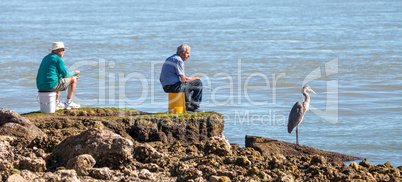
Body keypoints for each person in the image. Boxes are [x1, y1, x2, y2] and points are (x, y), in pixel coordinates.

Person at [160, 44, 204, 113]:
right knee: (198, 84)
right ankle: (193, 107)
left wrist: (193, 79)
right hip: (173, 87)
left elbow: (182, 77)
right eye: (187, 53)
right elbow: (183, 79)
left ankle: (186, 105)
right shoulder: (179, 60)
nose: (189, 55)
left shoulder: (172, 58)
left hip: (167, 86)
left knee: (187, 85)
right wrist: (194, 79)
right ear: (181, 53)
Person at [36, 42, 81, 109]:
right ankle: (69, 102)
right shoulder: (58, 59)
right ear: (58, 50)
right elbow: (65, 74)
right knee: (73, 79)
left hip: (40, 86)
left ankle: (56, 102)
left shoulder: (46, 57)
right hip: (51, 86)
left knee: (58, 78)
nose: (64, 52)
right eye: (63, 50)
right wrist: (74, 72)